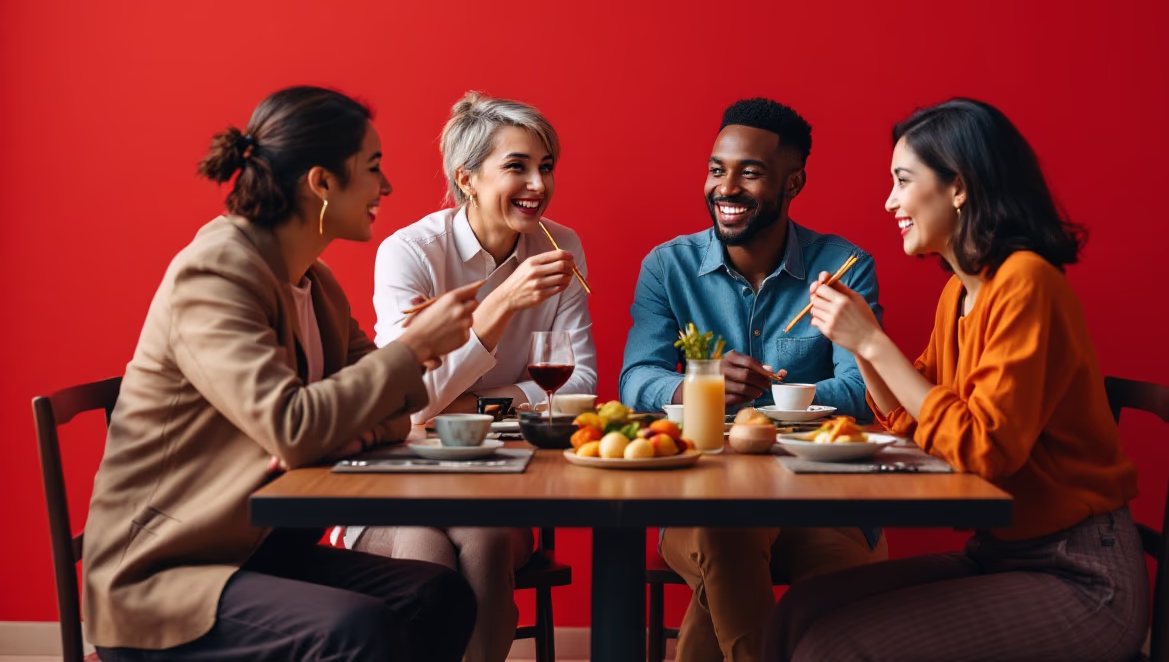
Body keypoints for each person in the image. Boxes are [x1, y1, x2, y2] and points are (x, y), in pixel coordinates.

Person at [82, 86, 481, 662]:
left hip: (259, 552)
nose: (386, 188)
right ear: (321, 183)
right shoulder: (215, 274)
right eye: (373, 169)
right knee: (358, 630)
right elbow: (296, 428)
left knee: (438, 595)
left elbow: (397, 409)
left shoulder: (316, 284)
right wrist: (415, 346)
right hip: (166, 574)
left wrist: (348, 426)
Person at [765, 98, 1147, 662]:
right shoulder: (959, 293)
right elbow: (913, 417)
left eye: (902, 180)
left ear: (959, 187)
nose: (890, 201)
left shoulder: (1026, 284)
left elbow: (982, 449)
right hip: (1001, 553)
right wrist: (857, 341)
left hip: (1083, 576)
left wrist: (872, 341)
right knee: (796, 614)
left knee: (832, 647)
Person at [620, 98, 887, 662]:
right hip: (701, 501)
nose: (726, 187)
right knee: (727, 531)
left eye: (751, 172)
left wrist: (755, 405)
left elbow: (863, 392)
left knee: (793, 607)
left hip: (822, 504)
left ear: (794, 183)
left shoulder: (842, 266)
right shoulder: (668, 267)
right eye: (717, 169)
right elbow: (636, 380)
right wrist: (700, 381)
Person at [349, 91, 596, 662]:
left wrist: (471, 407)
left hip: (497, 486)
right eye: (517, 166)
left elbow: (579, 388)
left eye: (546, 166)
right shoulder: (409, 253)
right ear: (467, 179)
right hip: (396, 488)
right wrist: (503, 302)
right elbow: (404, 407)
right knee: (423, 551)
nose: (538, 183)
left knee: (483, 536)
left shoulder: (563, 246)